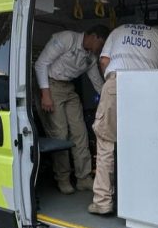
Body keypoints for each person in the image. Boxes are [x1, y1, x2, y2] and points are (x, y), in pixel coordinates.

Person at [88, 23, 158, 215]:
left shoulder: (118, 30)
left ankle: (102, 202)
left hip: (117, 83)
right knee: (145, 145)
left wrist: (111, 82)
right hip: (149, 88)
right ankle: (143, 199)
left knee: (106, 142)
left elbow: (104, 61)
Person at [34, 25, 110, 194]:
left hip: (68, 88)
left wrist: (109, 99)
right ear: (94, 37)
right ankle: (63, 178)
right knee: (60, 134)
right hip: (51, 85)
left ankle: (83, 178)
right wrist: (45, 94)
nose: (102, 49)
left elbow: (97, 82)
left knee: (80, 132)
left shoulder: (90, 57)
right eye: (102, 44)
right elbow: (40, 64)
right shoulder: (67, 38)